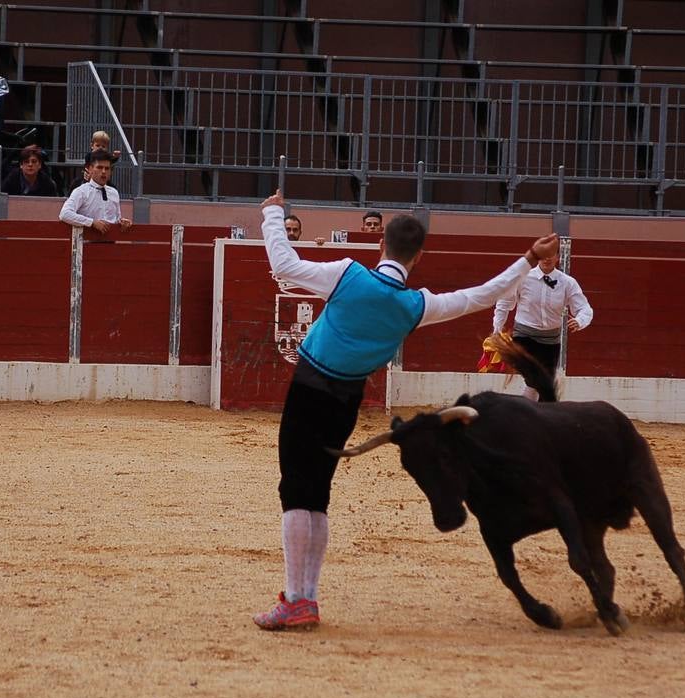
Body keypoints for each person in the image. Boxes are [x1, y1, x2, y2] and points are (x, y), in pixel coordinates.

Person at [253, 188, 558, 631]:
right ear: (418, 256)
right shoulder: (416, 305)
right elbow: (482, 295)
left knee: (296, 491)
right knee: (316, 493)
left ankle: (298, 599)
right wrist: (529, 257)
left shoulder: (347, 275)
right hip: (347, 400)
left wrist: (273, 215)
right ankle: (307, 598)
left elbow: (282, 265)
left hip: (310, 390)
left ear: (381, 245)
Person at [490, 242, 592, 400]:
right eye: (543, 255)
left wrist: (580, 321)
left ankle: (534, 413)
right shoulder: (523, 278)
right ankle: (528, 411)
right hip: (524, 336)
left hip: (550, 341)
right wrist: (497, 328)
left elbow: (585, 308)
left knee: (545, 386)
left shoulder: (567, 282)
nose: (547, 259)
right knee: (535, 377)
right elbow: (504, 303)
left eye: (551, 255)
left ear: (558, 257)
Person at [58, 149, 131, 233]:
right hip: (86, 243)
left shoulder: (114, 192)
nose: (103, 172)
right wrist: (92, 222)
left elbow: (115, 219)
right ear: (90, 169)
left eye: (107, 168)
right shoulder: (81, 191)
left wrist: (122, 222)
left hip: (110, 244)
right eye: (99, 167)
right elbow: (64, 214)